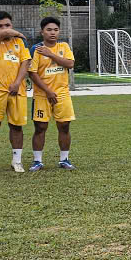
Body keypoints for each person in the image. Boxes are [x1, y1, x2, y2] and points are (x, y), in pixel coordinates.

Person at [0, 10, 31, 175]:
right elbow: (5, 33)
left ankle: (16, 161)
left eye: (7, 25)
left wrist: (17, 83)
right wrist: (16, 32)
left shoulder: (19, 43)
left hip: (17, 90)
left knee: (17, 127)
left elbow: (25, 63)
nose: (5, 28)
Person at [28, 16, 76, 170]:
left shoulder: (64, 46)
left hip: (62, 94)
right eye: (49, 30)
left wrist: (51, 54)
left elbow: (70, 63)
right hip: (42, 95)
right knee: (40, 127)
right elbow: (32, 73)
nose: (52, 33)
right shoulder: (36, 49)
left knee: (64, 126)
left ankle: (64, 159)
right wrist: (48, 91)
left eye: (55, 29)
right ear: (42, 32)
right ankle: (37, 161)